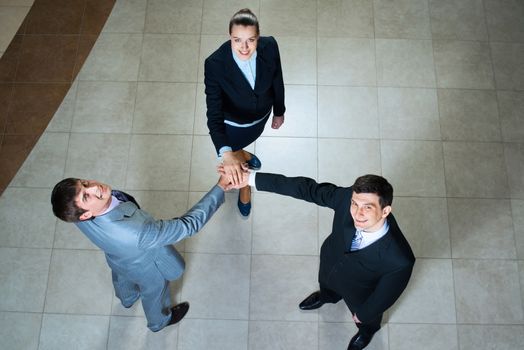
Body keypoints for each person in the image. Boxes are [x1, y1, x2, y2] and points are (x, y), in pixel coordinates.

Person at [231, 171, 415, 350]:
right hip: (330, 262)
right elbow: (306, 188)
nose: (357, 214)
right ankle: (327, 296)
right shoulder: (346, 197)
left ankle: (366, 332)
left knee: (367, 320)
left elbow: (384, 296)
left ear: (385, 211)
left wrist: (363, 314)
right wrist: (250, 179)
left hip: (361, 293)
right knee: (327, 286)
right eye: (355, 204)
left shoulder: (400, 259)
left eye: (368, 207)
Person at [50, 176, 231, 332]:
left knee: (121, 274)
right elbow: (188, 225)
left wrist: (88, 197)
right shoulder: (138, 232)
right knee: (155, 292)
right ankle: (159, 322)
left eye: (85, 183)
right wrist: (221, 187)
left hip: (118, 258)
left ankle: (127, 298)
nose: (95, 187)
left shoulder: (76, 216)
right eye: (86, 195)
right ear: (84, 215)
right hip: (147, 266)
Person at [204, 8, 286, 217]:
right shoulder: (215, 64)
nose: (244, 47)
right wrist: (225, 152)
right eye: (237, 40)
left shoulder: (270, 46)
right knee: (233, 155)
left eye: (251, 40)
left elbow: (277, 79)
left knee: (239, 151)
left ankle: (245, 155)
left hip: (260, 117)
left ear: (258, 37)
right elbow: (213, 112)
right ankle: (245, 186)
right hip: (234, 125)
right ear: (229, 36)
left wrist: (279, 111)